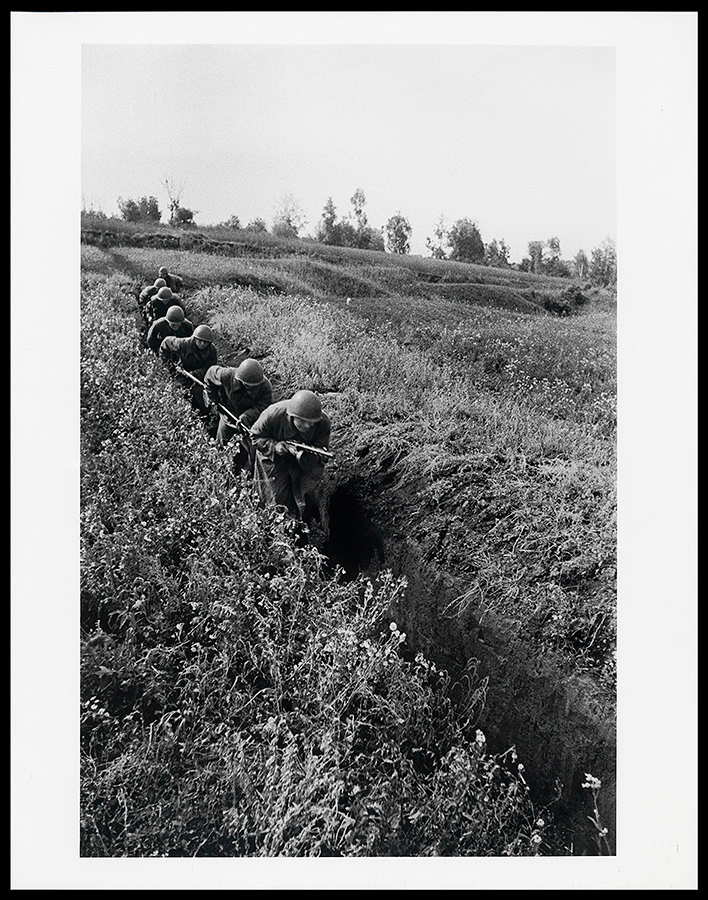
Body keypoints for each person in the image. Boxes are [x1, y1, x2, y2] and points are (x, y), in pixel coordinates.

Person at [249, 389, 331, 523]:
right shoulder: (273, 414)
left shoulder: (322, 423)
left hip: (303, 460)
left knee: (307, 493)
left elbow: (321, 449)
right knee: (276, 494)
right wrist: (275, 447)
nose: (308, 426)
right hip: (272, 457)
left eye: (312, 422)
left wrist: (306, 455)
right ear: (292, 416)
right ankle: (275, 524)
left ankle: (304, 524)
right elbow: (255, 436)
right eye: (303, 421)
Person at [202, 359, 274, 465]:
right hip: (228, 416)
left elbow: (264, 407)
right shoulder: (226, 375)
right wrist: (214, 398)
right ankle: (221, 470)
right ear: (241, 381)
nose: (253, 389)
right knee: (221, 446)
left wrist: (247, 416)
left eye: (255, 386)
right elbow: (210, 375)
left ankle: (250, 474)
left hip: (250, 423)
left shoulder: (265, 386)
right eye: (249, 385)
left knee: (254, 452)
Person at [159, 324, 218, 414]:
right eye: (200, 341)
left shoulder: (212, 350)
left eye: (205, 342)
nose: (202, 344)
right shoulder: (183, 344)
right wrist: (169, 364)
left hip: (200, 376)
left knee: (203, 397)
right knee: (182, 393)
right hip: (182, 373)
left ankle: (205, 414)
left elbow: (210, 368)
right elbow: (166, 343)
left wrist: (195, 373)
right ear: (195, 338)